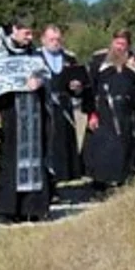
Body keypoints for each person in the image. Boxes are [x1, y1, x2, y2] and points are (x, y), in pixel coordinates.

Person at [0, 20, 52, 223]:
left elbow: (46, 76)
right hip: (7, 115)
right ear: (14, 30)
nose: (29, 37)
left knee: (34, 161)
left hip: (32, 116)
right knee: (7, 162)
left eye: (31, 33)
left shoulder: (35, 56)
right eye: (25, 32)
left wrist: (40, 81)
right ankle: (6, 209)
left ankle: (32, 208)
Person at [82, 30, 135, 190]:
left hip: (125, 109)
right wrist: (92, 114)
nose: (120, 47)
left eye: (123, 44)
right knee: (103, 145)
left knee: (124, 144)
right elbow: (90, 88)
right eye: (117, 43)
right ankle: (100, 180)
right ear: (112, 42)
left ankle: (123, 177)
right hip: (103, 109)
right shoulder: (99, 59)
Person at [38, 25, 88, 194]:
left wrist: (77, 87)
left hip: (64, 106)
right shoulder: (36, 57)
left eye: (58, 39)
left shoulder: (69, 58)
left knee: (62, 144)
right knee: (46, 143)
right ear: (43, 40)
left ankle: (59, 181)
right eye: (51, 39)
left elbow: (79, 84)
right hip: (44, 106)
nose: (55, 43)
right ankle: (46, 183)